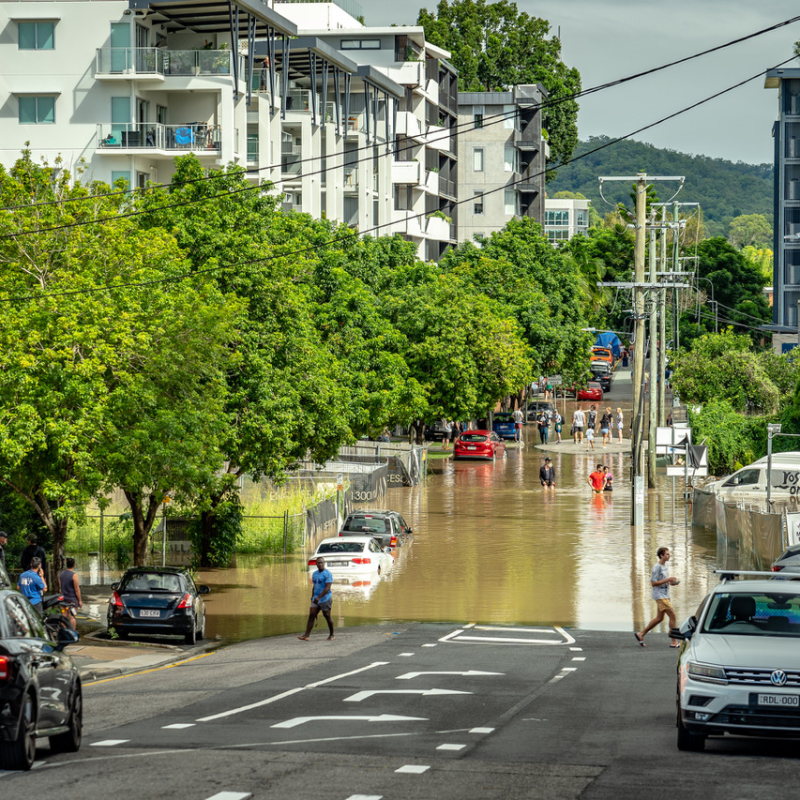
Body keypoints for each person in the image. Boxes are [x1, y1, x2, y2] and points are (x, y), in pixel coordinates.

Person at [635, 546, 679, 648]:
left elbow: (663, 580)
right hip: (660, 595)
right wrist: (668, 579)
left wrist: (671, 583)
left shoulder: (666, 565)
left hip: (666, 594)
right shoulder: (657, 567)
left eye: (669, 554)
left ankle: (641, 634)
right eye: (667, 554)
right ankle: (674, 641)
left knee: (659, 618)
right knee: (673, 616)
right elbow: (653, 583)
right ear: (661, 555)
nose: (669, 556)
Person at [298, 557, 334, 641]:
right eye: (318, 563)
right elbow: (315, 586)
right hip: (316, 598)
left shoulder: (328, 574)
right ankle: (306, 635)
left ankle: (332, 635)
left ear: (324, 563)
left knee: (327, 616)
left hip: (325, 598)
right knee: (311, 615)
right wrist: (313, 597)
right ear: (316, 564)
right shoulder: (314, 574)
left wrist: (319, 597)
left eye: (321, 562)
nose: (320, 564)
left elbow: (327, 587)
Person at [59, 557, 82, 630]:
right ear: (74, 565)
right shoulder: (74, 575)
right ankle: (73, 632)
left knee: (64, 616)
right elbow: (77, 589)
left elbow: (60, 587)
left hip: (64, 599)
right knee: (72, 617)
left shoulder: (61, 574)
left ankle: (64, 632)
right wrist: (79, 600)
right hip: (72, 600)